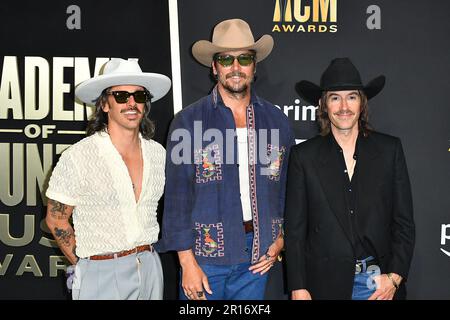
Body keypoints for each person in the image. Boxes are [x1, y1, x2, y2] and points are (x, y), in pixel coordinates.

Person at [159, 18, 295, 300]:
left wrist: (281, 239)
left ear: (254, 66)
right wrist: (186, 263)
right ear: (214, 66)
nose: (236, 67)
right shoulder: (188, 121)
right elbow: (177, 199)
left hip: (258, 256)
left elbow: (288, 189)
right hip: (204, 257)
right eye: (226, 59)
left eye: (244, 58)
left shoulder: (276, 121)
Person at [284, 57, 415, 300]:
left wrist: (395, 277)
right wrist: (298, 287)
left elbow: (404, 223)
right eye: (335, 97)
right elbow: (295, 230)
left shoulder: (389, 150)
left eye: (351, 97)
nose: (344, 106)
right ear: (324, 105)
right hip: (322, 286)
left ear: (362, 104)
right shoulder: (304, 157)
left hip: (379, 285)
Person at [45, 58, 171, 300]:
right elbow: (55, 219)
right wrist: (83, 265)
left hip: (150, 265)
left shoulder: (158, 154)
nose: (132, 103)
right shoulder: (79, 156)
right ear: (104, 104)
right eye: (121, 96)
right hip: (101, 270)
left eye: (139, 96)